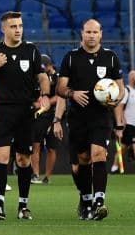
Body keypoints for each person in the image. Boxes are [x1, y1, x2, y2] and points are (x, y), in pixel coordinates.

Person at [0, 11, 50, 222]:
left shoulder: (31, 50)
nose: (18, 30)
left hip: (25, 112)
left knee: (23, 159)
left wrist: (45, 96)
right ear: (4, 29)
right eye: (13, 26)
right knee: (0, 156)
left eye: (20, 25)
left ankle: (23, 205)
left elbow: (42, 77)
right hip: (1, 111)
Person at [56, 18, 124, 221]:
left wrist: (115, 101)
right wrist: (72, 94)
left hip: (101, 116)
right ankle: (85, 200)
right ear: (82, 34)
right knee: (82, 161)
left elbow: (120, 89)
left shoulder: (111, 58)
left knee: (99, 154)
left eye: (95, 32)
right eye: (88, 32)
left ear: (101, 34)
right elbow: (60, 88)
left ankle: (99, 201)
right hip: (77, 117)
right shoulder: (71, 58)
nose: (91, 36)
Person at [31, 54, 62, 184]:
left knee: (51, 147)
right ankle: (35, 174)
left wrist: (48, 101)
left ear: (50, 65)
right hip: (37, 116)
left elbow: (61, 96)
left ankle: (47, 177)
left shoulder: (58, 78)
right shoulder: (35, 77)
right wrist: (35, 104)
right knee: (35, 145)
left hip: (52, 116)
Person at [112, 70, 135, 174]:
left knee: (123, 147)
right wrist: (123, 121)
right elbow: (120, 107)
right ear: (132, 79)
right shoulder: (126, 90)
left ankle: (114, 167)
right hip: (128, 124)